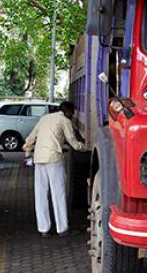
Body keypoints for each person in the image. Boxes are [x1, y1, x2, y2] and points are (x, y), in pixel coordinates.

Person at [23, 101, 88, 237]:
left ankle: (44, 229)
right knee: (58, 193)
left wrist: (28, 151)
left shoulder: (44, 118)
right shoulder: (64, 120)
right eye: (72, 113)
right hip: (53, 159)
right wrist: (86, 147)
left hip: (39, 159)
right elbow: (74, 143)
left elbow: (30, 137)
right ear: (68, 112)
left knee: (40, 195)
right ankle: (62, 228)